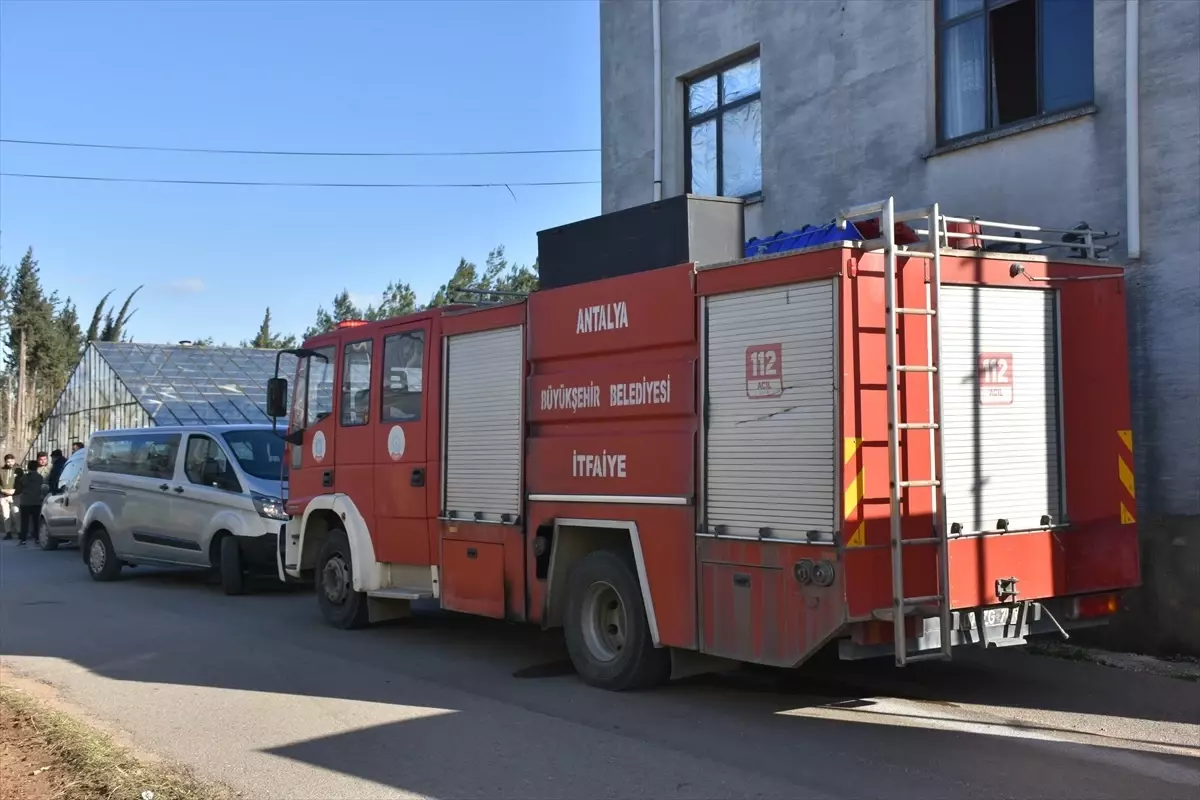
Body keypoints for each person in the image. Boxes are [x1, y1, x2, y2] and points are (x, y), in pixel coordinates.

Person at [14, 459, 46, 546]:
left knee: (24, 521)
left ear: (28, 467)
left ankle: (23, 539)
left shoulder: (24, 477)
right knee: (36, 521)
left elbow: (19, 489)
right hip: (36, 502)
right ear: (37, 467)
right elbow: (43, 488)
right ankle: (37, 539)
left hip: (25, 501)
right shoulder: (40, 477)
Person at [0, 454, 19, 540]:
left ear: (14, 460)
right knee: (5, 515)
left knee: (16, 514)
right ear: (5, 462)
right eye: (8, 461)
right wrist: (2, 490)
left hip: (15, 495)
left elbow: (21, 482)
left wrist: (15, 490)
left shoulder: (18, 470)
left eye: (12, 461)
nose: (10, 463)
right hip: (3, 495)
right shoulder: (1, 470)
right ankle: (8, 532)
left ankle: (19, 531)